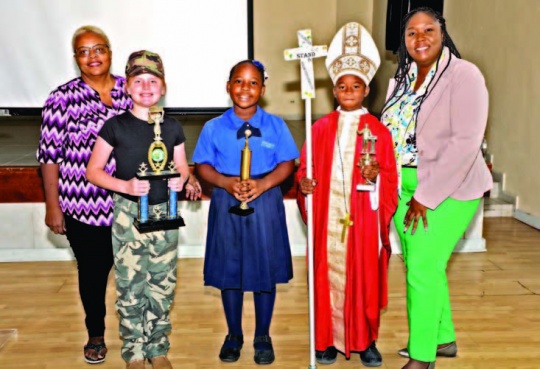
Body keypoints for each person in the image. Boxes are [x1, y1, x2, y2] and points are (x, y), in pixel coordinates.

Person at [380, 7, 492, 369]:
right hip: (402, 185)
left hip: (449, 187)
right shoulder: (399, 79)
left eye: (429, 29)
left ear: (442, 33)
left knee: (423, 268)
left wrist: (425, 198)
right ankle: (442, 337)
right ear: (405, 40)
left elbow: (465, 143)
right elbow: (391, 134)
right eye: (412, 32)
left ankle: (422, 356)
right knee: (420, 262)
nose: (421, 37)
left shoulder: (464, 75)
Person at [87, 50, 201, 369]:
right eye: (139, 80)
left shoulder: (173, 126)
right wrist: (125, 186)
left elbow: (181, 167)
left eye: (153, 80)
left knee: (162, 284)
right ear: (127, 86)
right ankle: (135, 351)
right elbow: (93, 171)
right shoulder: (115, 126)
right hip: (128, 214)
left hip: (165, 213)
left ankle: (158, 346)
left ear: (163, 87)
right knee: (130, 284)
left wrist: (182, 179)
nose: (146, 86)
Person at [296, 22, 398, 367]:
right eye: (342, 85)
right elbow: (305, 170)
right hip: (329, 222)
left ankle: (366, 339)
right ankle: (325, 341)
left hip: (364, 223)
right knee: (326, 277)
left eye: (356, 85)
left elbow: (390, 179)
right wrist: (304, 185)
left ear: (366, 90)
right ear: (334, 91)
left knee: (365, 281)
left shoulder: (379, 132)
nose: (349, 90)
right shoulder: (321, 127)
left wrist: (377, 176)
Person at [192, 60, 299, 365]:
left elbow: (287, 164)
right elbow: (202, 166)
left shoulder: (276, 125)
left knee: (265, 271)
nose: (245, 88)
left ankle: (263, 335)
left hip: (265, 204)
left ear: (262, 89)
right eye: (239, 81)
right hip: (227, 204)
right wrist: (225, 182)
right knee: (230, 270)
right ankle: (234, 334)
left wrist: (263, 184)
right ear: (228, 86)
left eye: (253, 83)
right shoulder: (213, 127)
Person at [36, 25, 132, 364]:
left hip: (130, 204)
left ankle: (138, 337)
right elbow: (49, 157)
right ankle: (96, 335)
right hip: (84, 207)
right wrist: (53, 206)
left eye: (98, 48)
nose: (92, 56)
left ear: (110, 51)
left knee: (135, 275)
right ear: (76, 57)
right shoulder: (61, 98)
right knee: (92, 274)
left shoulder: (130, 90)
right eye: (83, 50)